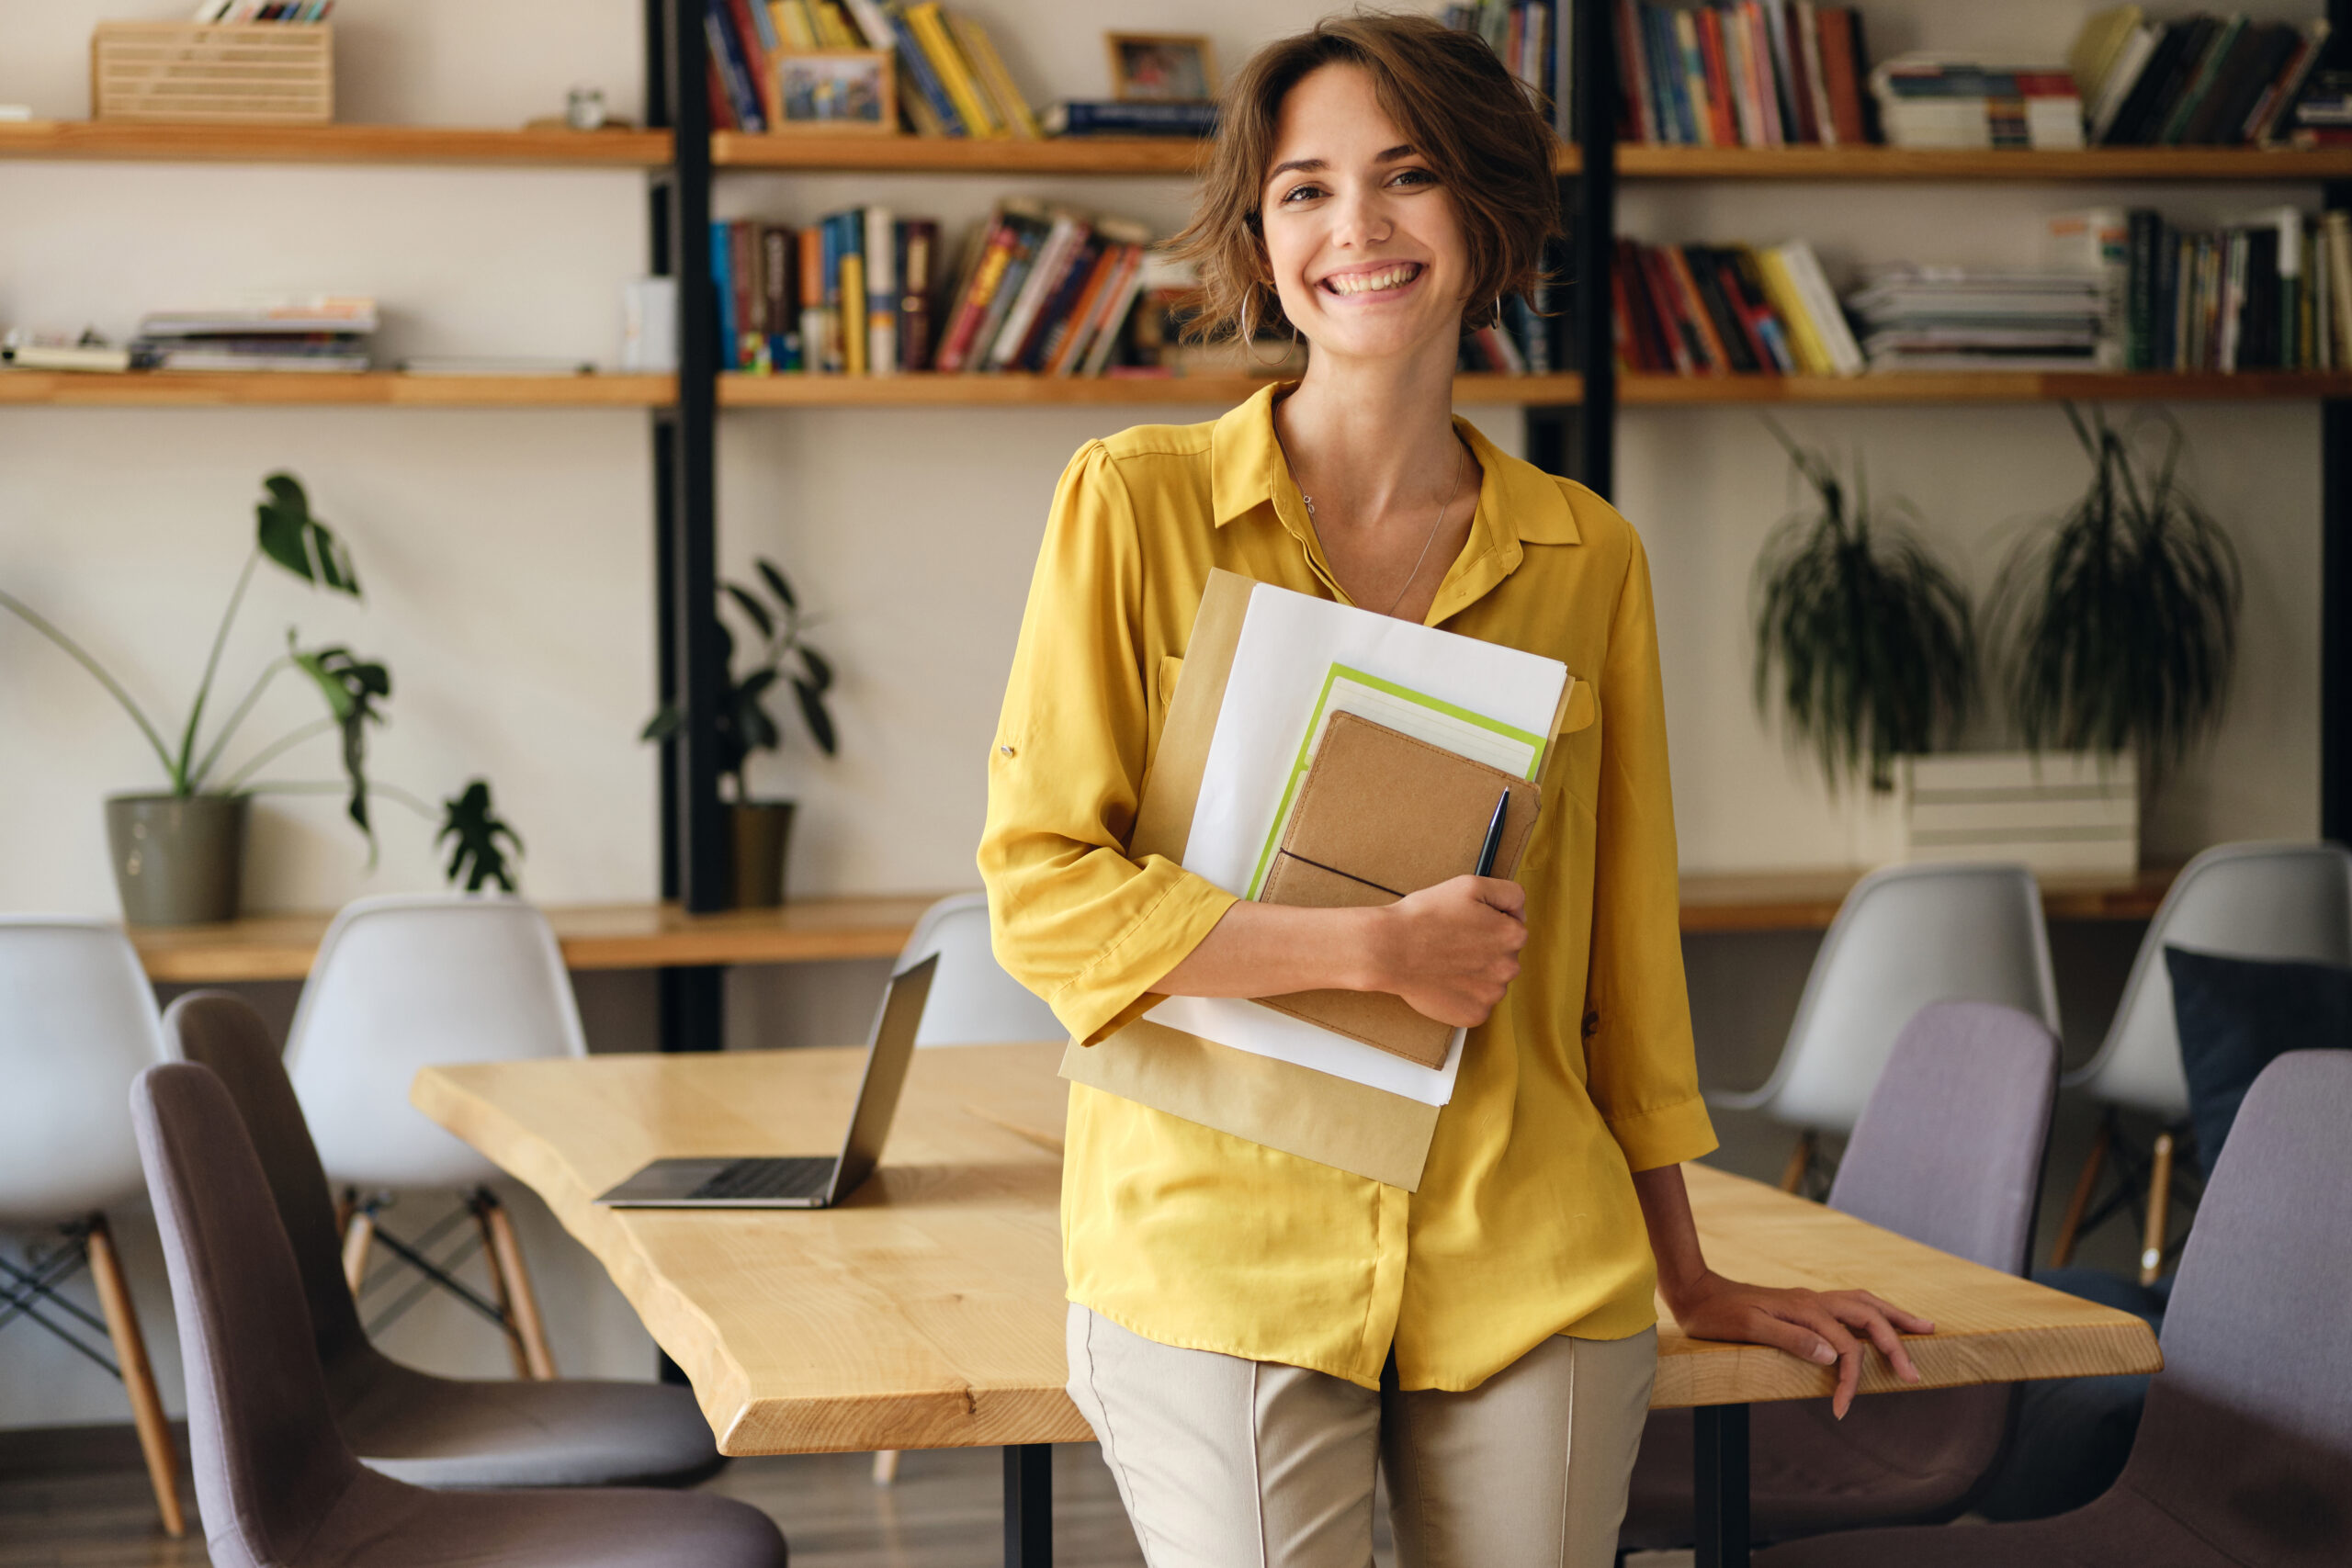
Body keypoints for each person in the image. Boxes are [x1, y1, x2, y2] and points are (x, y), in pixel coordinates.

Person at [978, 15, 1931, 1566]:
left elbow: (1619, 964)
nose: (1354, 226)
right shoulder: (1134, 507)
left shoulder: (1583, 553)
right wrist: (1368, 950)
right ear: (1259, 236)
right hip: (1218, 1244)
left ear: (1486, 216)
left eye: (1405, 176)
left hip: (1528, 1244)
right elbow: (1044, 894)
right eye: (1303, 190)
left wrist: (1688, 1274)